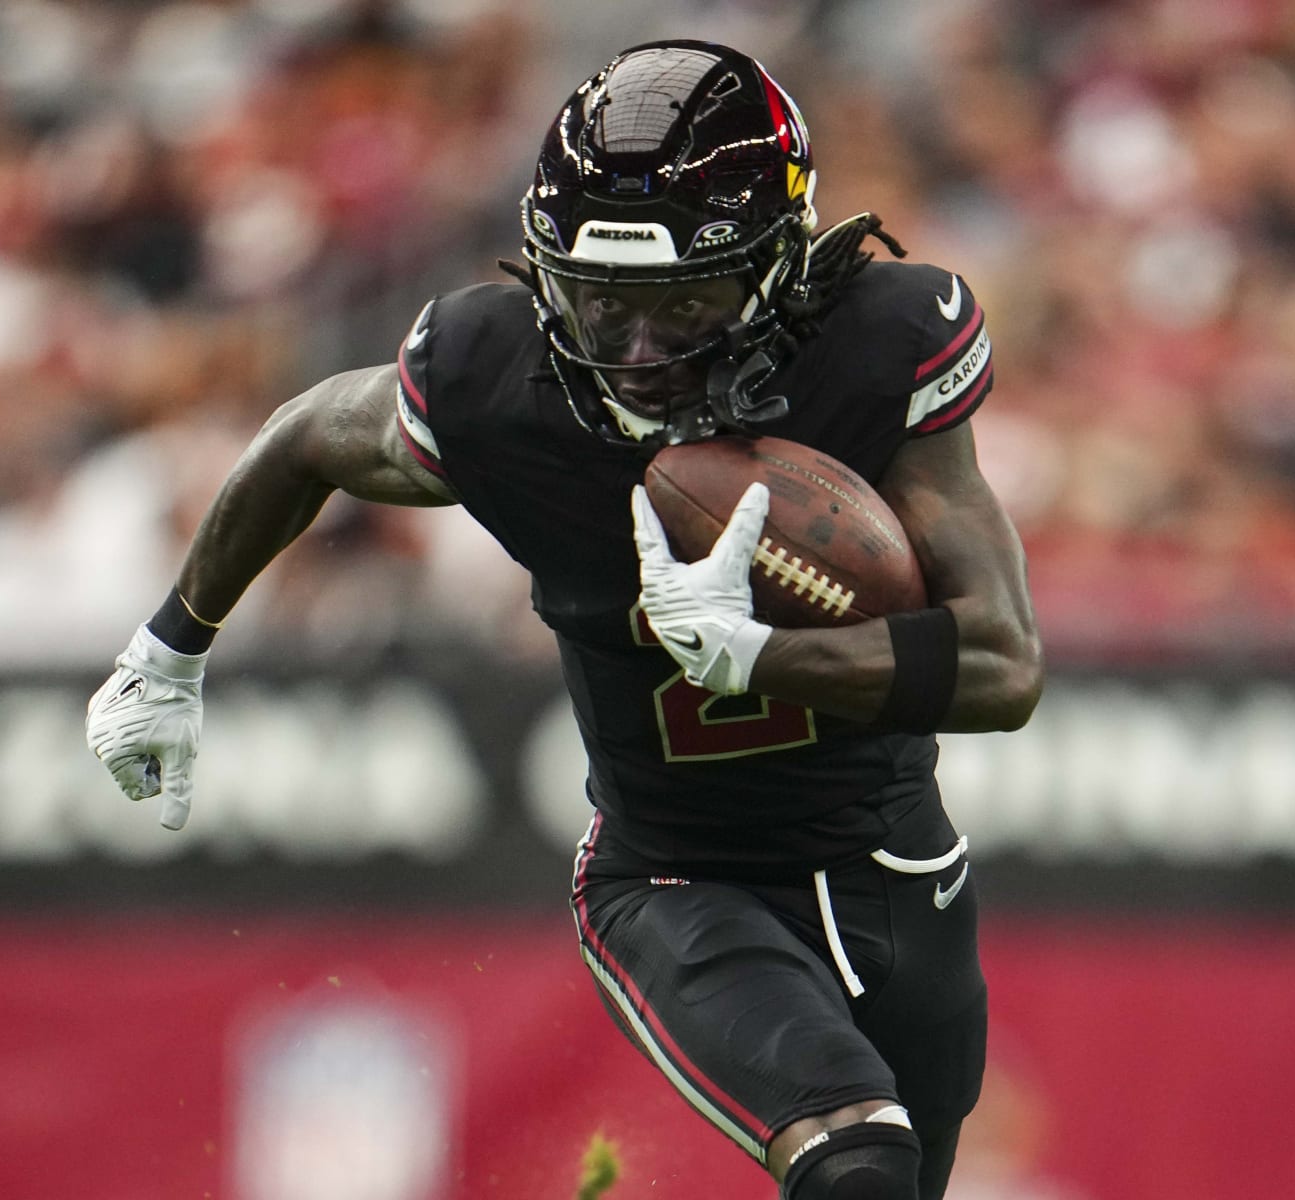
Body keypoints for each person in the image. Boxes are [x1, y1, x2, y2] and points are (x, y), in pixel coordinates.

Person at [84, 40, 1041, 1199]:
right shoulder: (498, 382)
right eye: (601, 303)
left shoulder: (878, 346)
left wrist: (761, 659)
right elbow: (306, 439)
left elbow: (1003, 666)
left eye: (682, 304)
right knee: (857, 1162)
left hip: (893, 859)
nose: (635, 353)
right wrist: (167, 650)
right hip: (678, 877)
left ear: (778, 265)